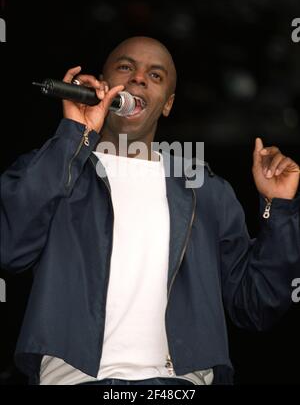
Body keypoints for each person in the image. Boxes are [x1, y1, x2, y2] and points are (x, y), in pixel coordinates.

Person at [1, 36, 300, 386]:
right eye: (126, 68)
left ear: (168, 104)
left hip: (180, 385)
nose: (139, 78)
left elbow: (255, 306)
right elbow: (10, 246)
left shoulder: (205, 191)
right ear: (103, 85)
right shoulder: (56, 168)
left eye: (155, 76)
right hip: (74, 379)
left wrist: (278, 209)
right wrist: (73, 134)